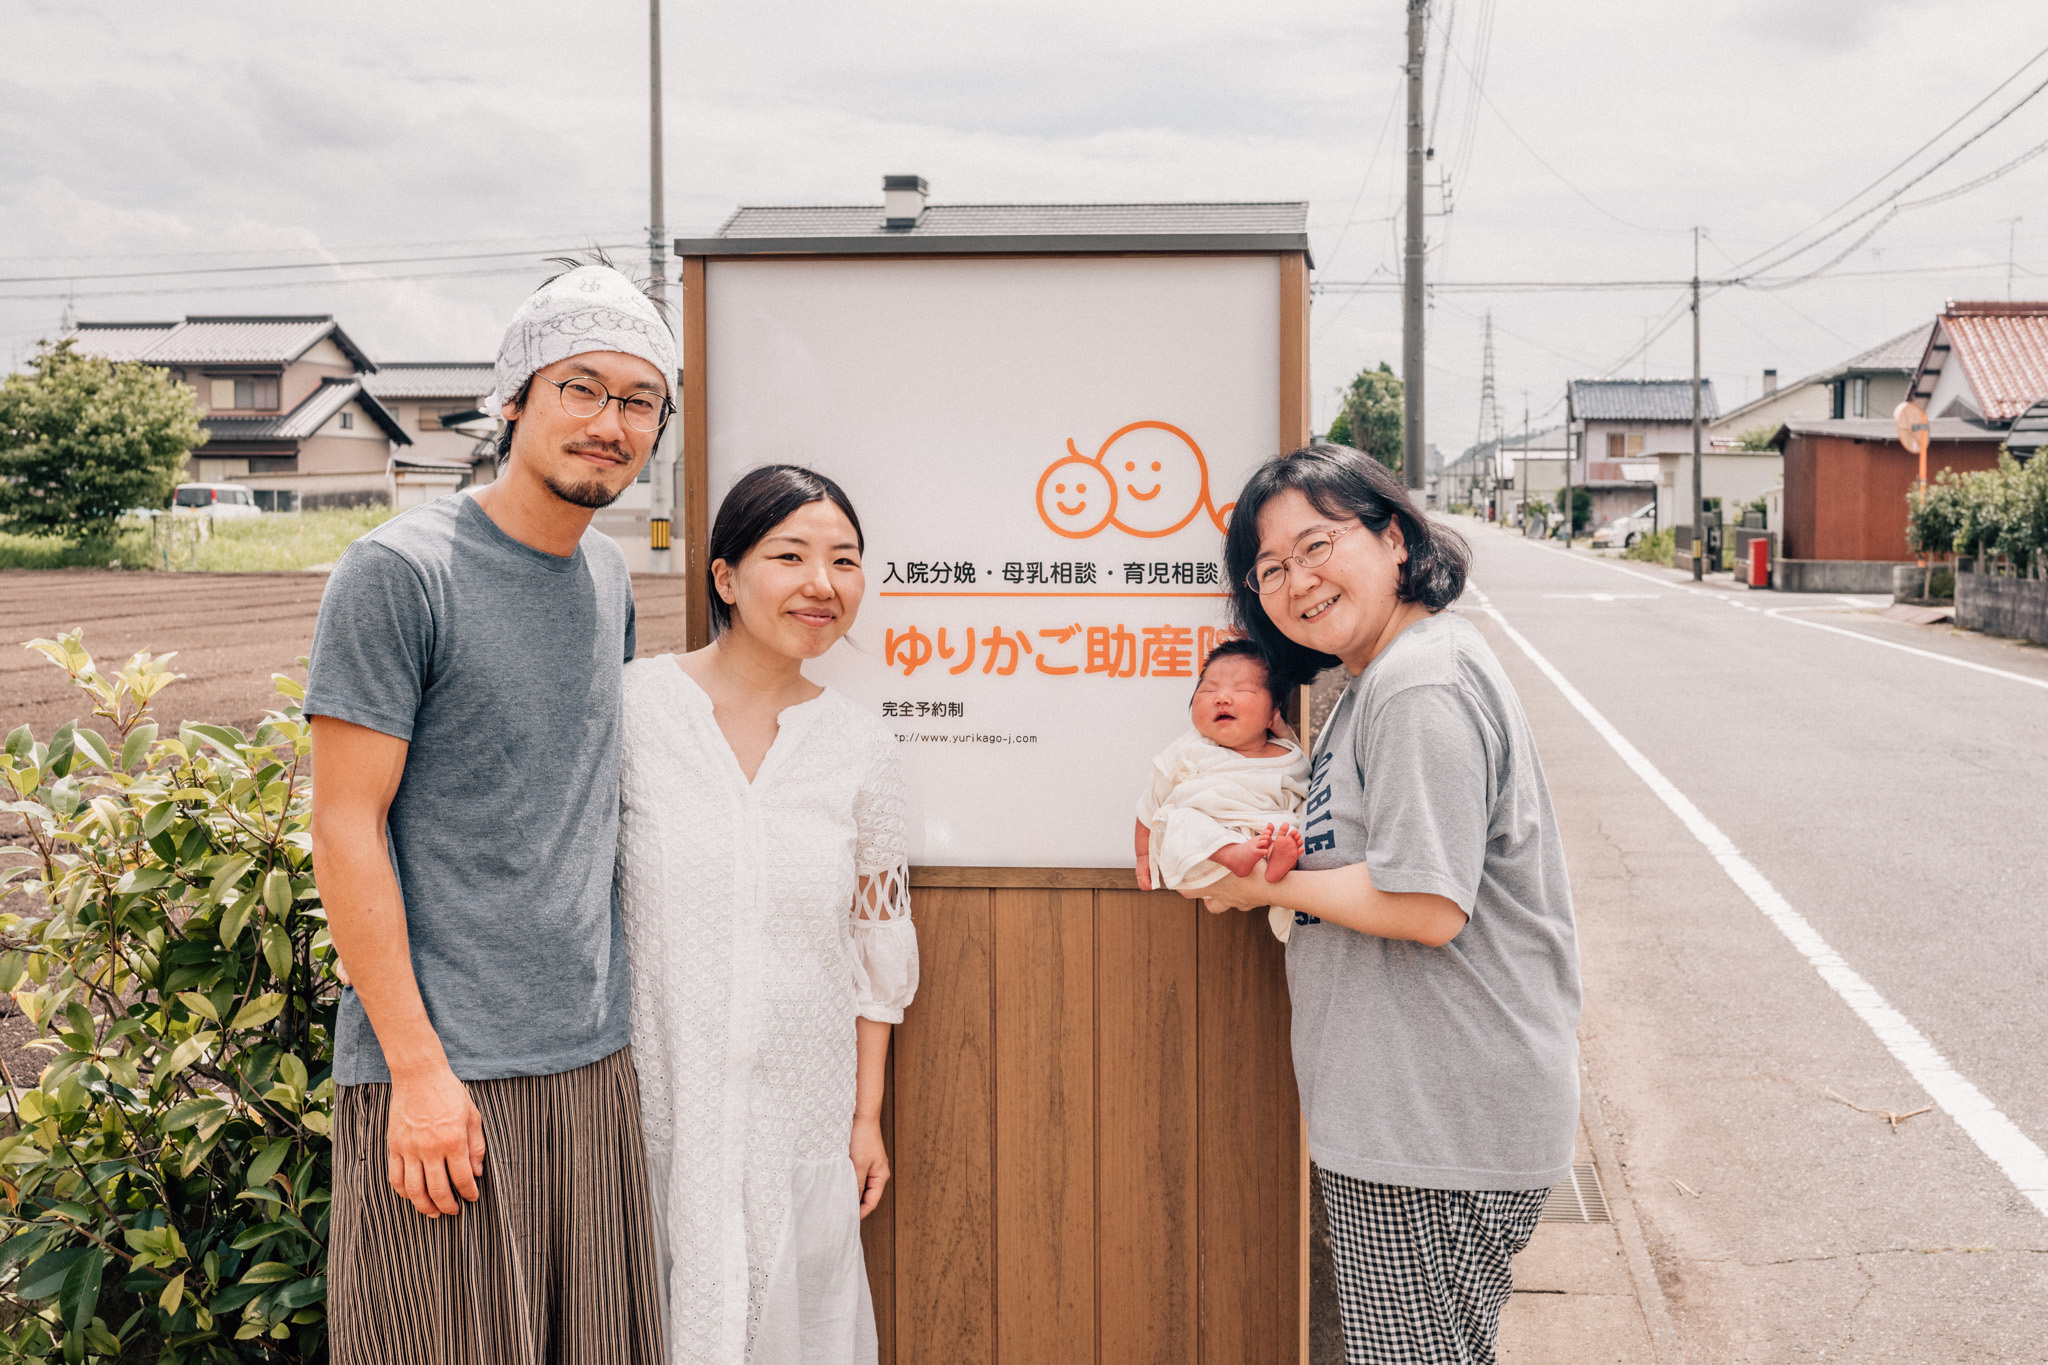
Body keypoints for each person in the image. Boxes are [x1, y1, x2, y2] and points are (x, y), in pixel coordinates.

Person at [307, 262, 674, 1363]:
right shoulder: (398, 573)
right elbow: (343, 828)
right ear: (513, 397)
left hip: (588, 1062)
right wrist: (416, 1073)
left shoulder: (605, 580)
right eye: (581, 387)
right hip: (443, 1075)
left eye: (638, 400)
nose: (609, 423)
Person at [1189, 441, 1581, 1365]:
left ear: (1395, 537)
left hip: (1436, 1125)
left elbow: (1427, 904)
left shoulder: (1419, 684)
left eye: (1318, 544)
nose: (1297, 579)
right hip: (1417, 1114)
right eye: (1271, 568)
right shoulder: (1382, 679)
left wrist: (1256, 883)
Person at [617, 463, 918, 1365]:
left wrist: (864, 1117)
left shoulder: (861, 745)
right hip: (657, 1107)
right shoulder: (636, 709)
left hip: (805, 1112)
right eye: (790, 555)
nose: (822, 584)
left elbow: (877, 945)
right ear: (724, 576)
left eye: (845, 559)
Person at [1133, 638, 1309, 942]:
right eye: (1208, 690)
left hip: (1259, 843)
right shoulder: (1190, 749)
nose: (1222, 698)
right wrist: (1142, 857)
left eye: (1241, 690)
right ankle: (1234, 854)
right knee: (1178, 818)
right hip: (1205, 854)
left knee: (1291, 828)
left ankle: (1278, 863)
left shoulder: (1287, 754)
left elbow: (1301, 795)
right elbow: (1151, 803)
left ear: (1272, 713)